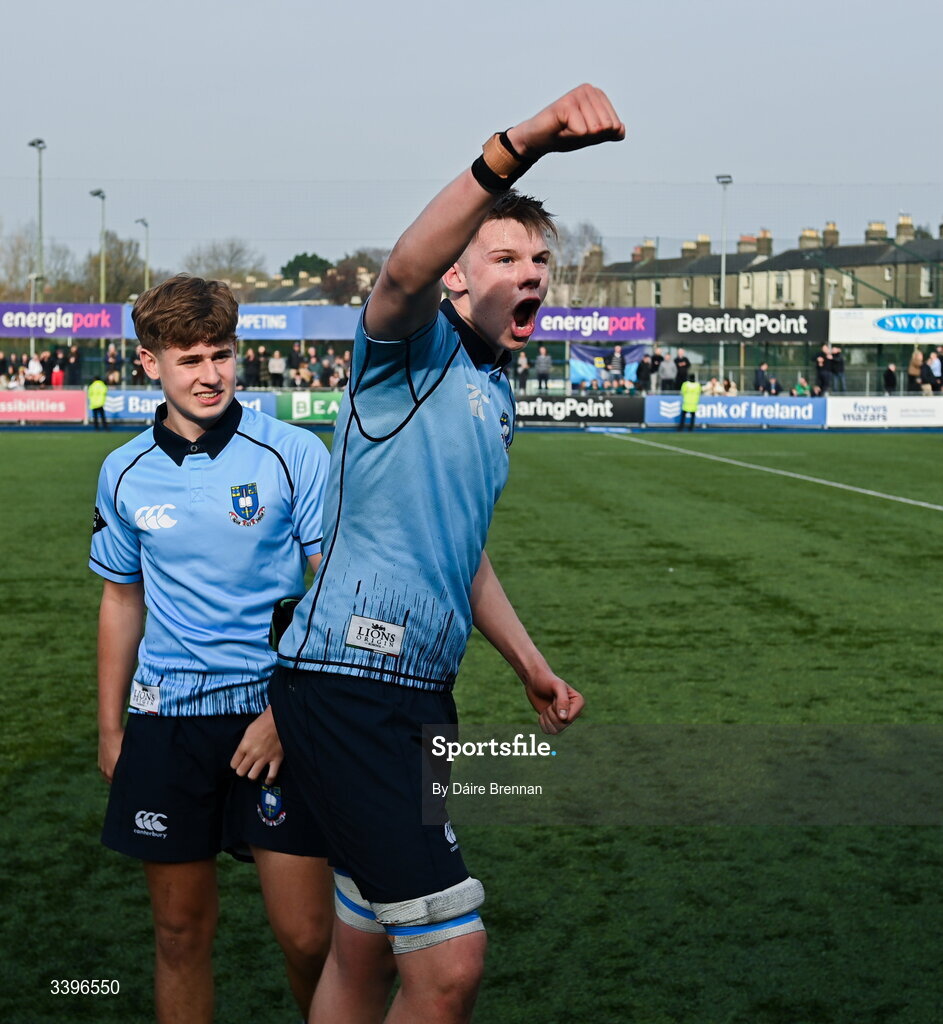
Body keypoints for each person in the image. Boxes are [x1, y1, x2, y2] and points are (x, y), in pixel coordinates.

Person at [269, 84, 620, 1024]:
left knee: (365, 941)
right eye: (504, 255)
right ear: (456, 280)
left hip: (415, 689)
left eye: (541, 258)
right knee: (451, 959)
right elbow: (397, 272)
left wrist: (529, 665)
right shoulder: (409, 353)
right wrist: (526, 142)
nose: (531, 271)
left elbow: (463, 557)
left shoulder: (493, 393)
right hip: (349, 681)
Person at [90, 275, 336, 1023]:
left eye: (220, 355)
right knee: (178, 933)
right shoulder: (123, 472)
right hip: (168, 724)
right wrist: (110, 728)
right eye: (188, 358)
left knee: (306, 937)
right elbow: (121, 599)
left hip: (275, 720)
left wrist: (286, 714)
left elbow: (331, 589)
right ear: (148, 364)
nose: (208, 374)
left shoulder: (292, 452)